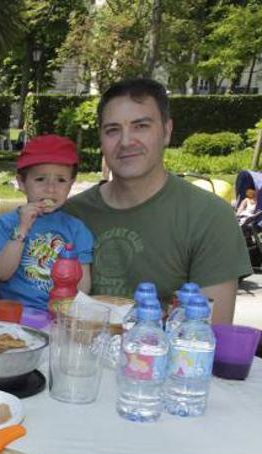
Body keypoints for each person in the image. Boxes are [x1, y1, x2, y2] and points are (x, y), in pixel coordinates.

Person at [64, 78, 251, 324]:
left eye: (141, 126)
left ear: (167, 131)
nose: (126, 141)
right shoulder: (69, 215)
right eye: (112, 130)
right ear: (101, 139)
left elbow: (210, 334)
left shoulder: (210, 216)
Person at [0, 135, 94, 310]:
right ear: (21, 183)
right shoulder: (6, 223)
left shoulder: (76, 229)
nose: (50, 188)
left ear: (71, 184)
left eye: (61, 180)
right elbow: (2, 273)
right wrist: (22, 228)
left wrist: (72, 313)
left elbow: (83, 284)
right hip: (16, 314)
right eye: (40, 179)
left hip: (60, 314)